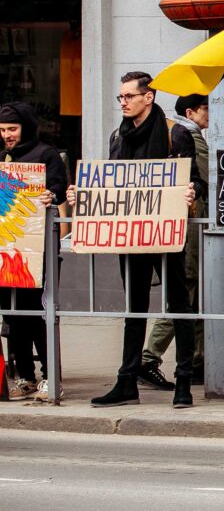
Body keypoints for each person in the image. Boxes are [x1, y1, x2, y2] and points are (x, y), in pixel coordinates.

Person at [67, 72, 200, 408]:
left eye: (128, 96)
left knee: (179, 306)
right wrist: (82, 195)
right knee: (134, 309)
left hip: (166, 234)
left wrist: (190, 192)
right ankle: (127, 381)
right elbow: (112, 185)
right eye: (120, 97)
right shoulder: (118, 136)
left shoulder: (175, 134)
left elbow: (195, 179)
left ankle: (183, 381)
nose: (123, 102)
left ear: (148, 97)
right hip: (133, 235)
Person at [138, 94, 209, 390]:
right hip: (190, 226)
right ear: (191, 112)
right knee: (186, 292)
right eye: (207, 109)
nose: (210, 115)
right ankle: (148, 358)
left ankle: (197, 361)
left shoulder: (173, 133)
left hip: (186, 224)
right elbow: (205, 180)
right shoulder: (188, 135)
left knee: (199, 297)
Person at [0, 102, 68, 401]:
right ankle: (25, 375)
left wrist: (49, 194)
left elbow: (59, 188)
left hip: (37, 251)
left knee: (40, 314)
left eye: (12, 129)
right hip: (7, 250)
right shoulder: (2, 157)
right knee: (14, 316)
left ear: (25, 127)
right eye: (2, 130)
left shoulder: (46, 154)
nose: (7, 136)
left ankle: (51, 377)